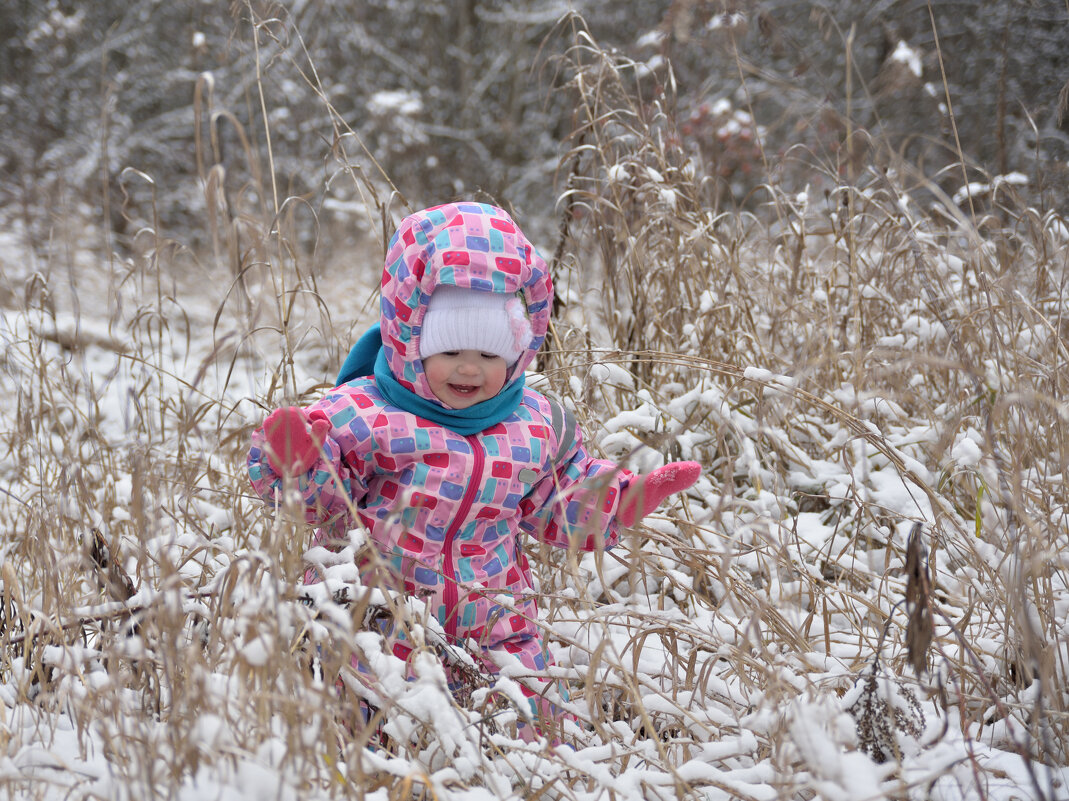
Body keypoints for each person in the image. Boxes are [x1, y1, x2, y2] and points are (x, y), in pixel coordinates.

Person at [247, 201, 700, 741]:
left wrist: (616, 500)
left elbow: (558, 500)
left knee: (529, 718)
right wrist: (297, 461)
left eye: (489, 353)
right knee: (379, 721)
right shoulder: (363, 415)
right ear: (410, 339)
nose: (469, 368)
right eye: (450, 349)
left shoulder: (535, 423)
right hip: (385, 613)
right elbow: (322, 506)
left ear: (519, 349)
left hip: (496, 615)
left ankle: (528, 763)